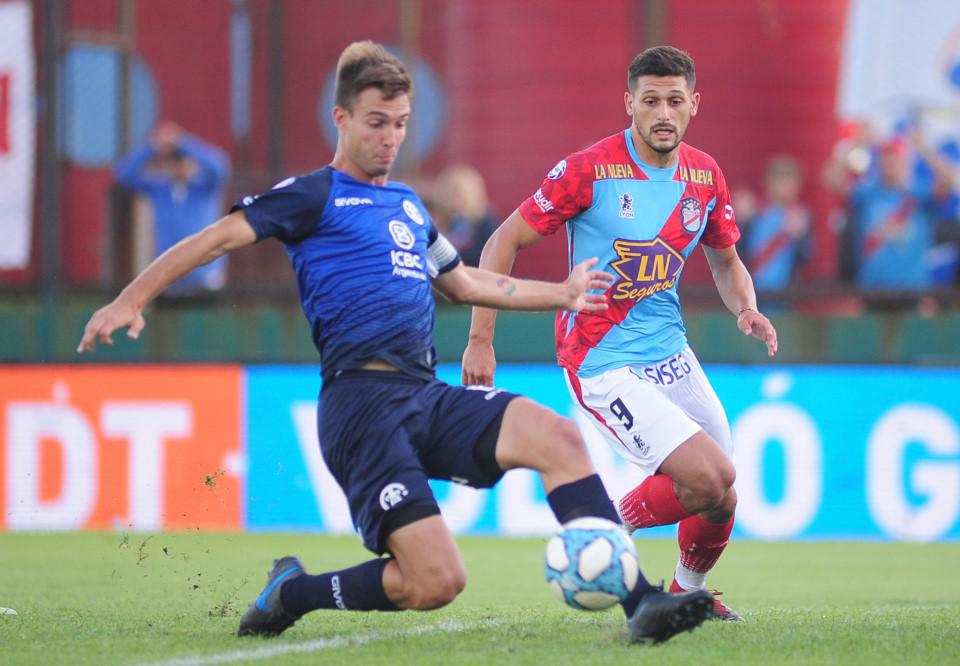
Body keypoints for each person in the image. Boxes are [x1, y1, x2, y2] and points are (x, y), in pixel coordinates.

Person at [77, 41, 714, 644]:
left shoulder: (408, 207)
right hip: (361, 409)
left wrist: (563, 292)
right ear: (343, 119)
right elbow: (215, 239)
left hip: (423, 394)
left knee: (559, 438)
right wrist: (132, 298)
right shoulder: (314, 196)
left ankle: (641, 604)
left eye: (400, 124)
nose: (389, 138)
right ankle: (292, 593)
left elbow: (462, 282)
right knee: (436, 583)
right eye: (376, 123)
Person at [462, 46, 778, 622]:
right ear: (629, 102)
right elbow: (501, 241)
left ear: (694, 104)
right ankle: (602, 527)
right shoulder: (589, 170)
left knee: (720, 496)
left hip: (670, 352)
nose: (663, 113)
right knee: (710, 477)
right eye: (650, 100)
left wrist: (746, 308)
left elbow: (727, 261)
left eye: (675, 101)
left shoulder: (704, 175)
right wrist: (481, 339)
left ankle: (687, 591)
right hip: (600, 358)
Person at [114, 121, 231, 295]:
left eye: (184, 161)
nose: (181, 166)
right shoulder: (159, 189)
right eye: (175, 162)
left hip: (205, 276)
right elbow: (124, 175)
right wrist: (152, 147)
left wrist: (182, 142)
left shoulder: (205, 187)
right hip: (171, 277)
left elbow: (219, 166)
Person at [739, 154, 811, 299]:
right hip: (753, 290)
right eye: (778, 179)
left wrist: (800, 237)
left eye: (789, 180)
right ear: (767, 182)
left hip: (785, 292)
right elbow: (739, 250)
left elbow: (806, 256)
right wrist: (740, 222)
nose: (783, 186)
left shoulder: (800, 216)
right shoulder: (756, 213)